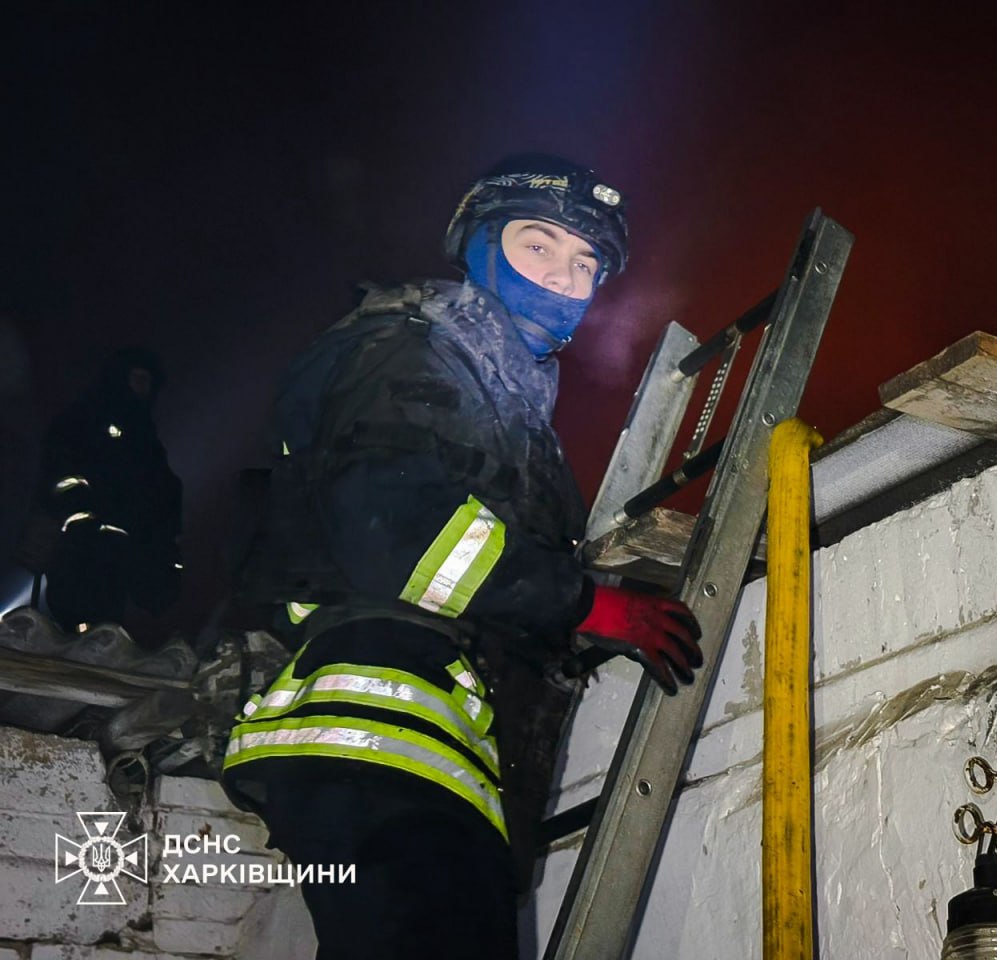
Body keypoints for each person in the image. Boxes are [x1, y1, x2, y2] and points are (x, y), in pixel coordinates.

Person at [222, 155, 703, 959]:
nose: (564, 276)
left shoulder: (497, 391)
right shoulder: (412, 349)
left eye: (586, 264)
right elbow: (398, 531)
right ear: (478, 248)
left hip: (419, 757)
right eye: (538, 245)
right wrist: (592, 604)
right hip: (378, 739)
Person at [24, 346, 182, 637]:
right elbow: (61, 469)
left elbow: (161, 492)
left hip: (120, 550)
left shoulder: (146, 439)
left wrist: (164, 552)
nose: (141, 387)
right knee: (77, 611)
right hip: (79, 543)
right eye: (136, 377)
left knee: (106, 620)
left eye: (147, 381)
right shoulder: (85, 418)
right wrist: (81, 517)